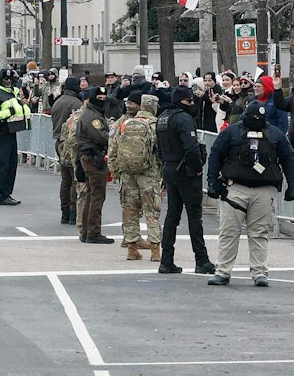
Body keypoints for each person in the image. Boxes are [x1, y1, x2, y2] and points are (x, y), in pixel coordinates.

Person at [204, 98, 294, 287]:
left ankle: (259, 272)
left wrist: (292, 186)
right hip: (234, 188)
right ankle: (223, 271)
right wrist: (212, 182)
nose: (255, 119)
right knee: (229, 232)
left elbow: (288, 159)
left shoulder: (275, 135)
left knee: (260, 232)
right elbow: (215, 154)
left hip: (264, 190)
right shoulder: (232, 132)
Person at [156, 86, 213, 274]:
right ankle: (201, 260)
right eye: (190, 101)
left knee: (172, 215)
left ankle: (166, 259)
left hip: (170, 168)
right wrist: (197, 168)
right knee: (194, 217)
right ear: (183, 101)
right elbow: (192, 148)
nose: (192, 104)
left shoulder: (163, 118)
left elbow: (158, 148)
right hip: (185, 171)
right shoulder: (183, 118)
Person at [109, 91, 161, 261]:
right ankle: (155, 249)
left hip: (127, 173)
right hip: (149, 173)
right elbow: (160, 152)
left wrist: (116, 170)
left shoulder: (126, 123)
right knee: (151, 211)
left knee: (130, 210)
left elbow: (113, 148)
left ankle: (132, 248)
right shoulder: (155, 124)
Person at [74, 86, 113, 244]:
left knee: (91, 195)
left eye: (104, 98)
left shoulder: (93, 114)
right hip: (94, 158)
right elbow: (102, 137)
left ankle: (87, 231)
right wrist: (113, 133)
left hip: (91, 157)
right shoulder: (92, 117)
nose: (102, 101)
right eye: (100, 98)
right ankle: (93, 232)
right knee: (97, 195)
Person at [0, 72, 28, 206]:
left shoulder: (13, 93)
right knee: (3, 166)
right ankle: (3, 195)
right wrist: (9, 112)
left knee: (12, 165)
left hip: (11, 133)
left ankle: (7, 193)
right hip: (1, 133)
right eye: (5, 78)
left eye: (10, 78)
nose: (8, 81)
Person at [49, 80, 81, 225]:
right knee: (75, 178)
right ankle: (74, 210)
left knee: (65, 179)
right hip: (70, 143)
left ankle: (65, 212)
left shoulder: (58, 102)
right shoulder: (75, 103)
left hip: (59, 141)